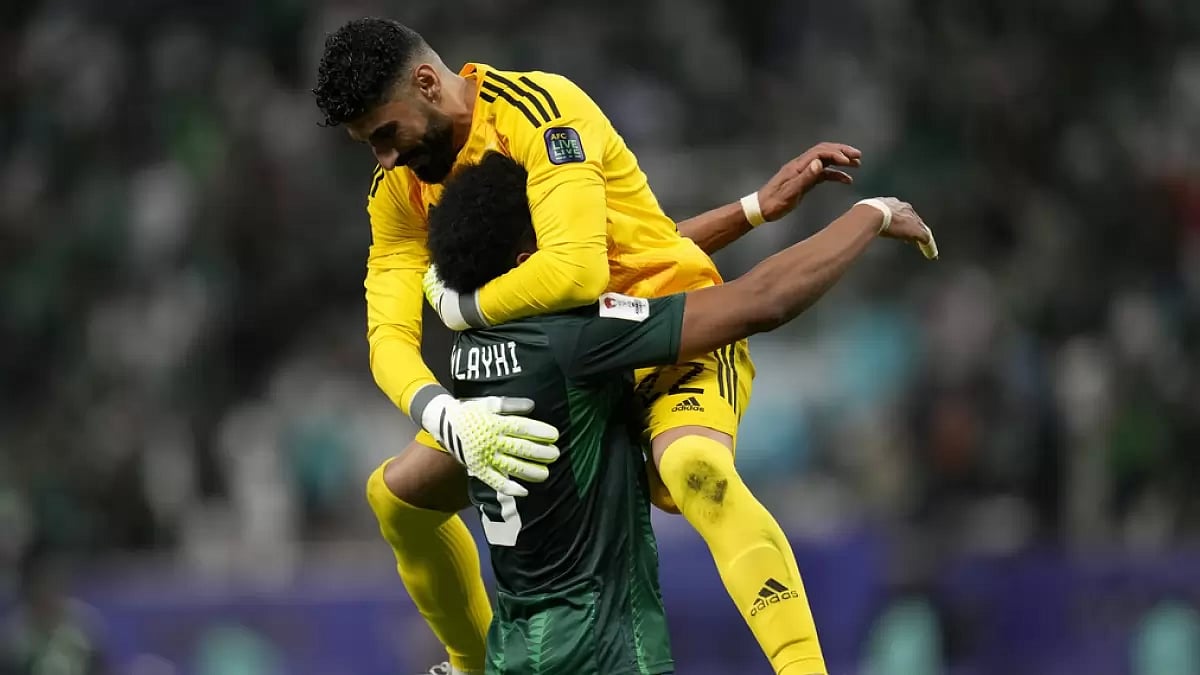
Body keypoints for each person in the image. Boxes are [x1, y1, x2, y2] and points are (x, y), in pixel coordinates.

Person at [313, 18, 866, 675]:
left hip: (663, 332)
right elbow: (389, 338)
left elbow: (583, 273)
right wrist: (446, 416)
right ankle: (469, 663)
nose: (384, 157)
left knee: (695, 468)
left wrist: (465, 308)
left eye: (384, 134)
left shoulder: (541, 114)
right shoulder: (397, 194)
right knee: (395, 496)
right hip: (559, 362)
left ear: (428, 83)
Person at [424, 152, 936, 675]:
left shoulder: (467, 350)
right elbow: (762, 300)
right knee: (695, 465)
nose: (573, 237)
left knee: (399, 494)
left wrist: (752, 209)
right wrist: (868, 214)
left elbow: (634, 262)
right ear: (525, 260)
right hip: (600, 649)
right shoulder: (572, 338)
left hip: (515, 648)